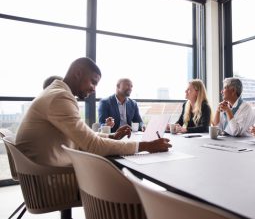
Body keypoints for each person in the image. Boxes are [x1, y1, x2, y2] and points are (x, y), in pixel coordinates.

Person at [15, 57, 171, 167]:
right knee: (125, 178)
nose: (94, 89)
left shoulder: (55, 92)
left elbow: (84, 135)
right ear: (78, 73)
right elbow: (93, 145)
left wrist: (111, 136)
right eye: (93, 82)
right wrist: (147, 146)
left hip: (38, 170)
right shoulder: (60, 97)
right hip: (48, 177)